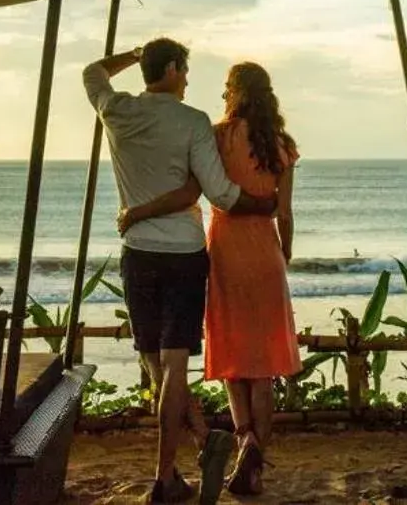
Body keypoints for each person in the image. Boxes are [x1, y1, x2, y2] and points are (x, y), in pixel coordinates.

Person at [84, 37, 277, 504]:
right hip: (183, 255)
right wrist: (263, 204)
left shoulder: (118, 110)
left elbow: (92, 71)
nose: (189, 80)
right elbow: (218, 193)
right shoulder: (191, 122)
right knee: (170, 365)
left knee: (154, 360)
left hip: (137, 253)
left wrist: (133, 56)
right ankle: (165, 473)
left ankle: (196, 439)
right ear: (171, 69)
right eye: (184, 70)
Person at [119, 61, 299, 498]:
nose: (221, 95)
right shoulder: (282, 145)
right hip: (265, 253)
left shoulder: (218, 136)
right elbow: (284, 212)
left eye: (225, 88)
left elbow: (201, 189)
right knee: (263, 369)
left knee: (236, 360)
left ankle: (245, 441)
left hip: (224, 253)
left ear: (234, 92)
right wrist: (284, 254)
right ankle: (253, 467)